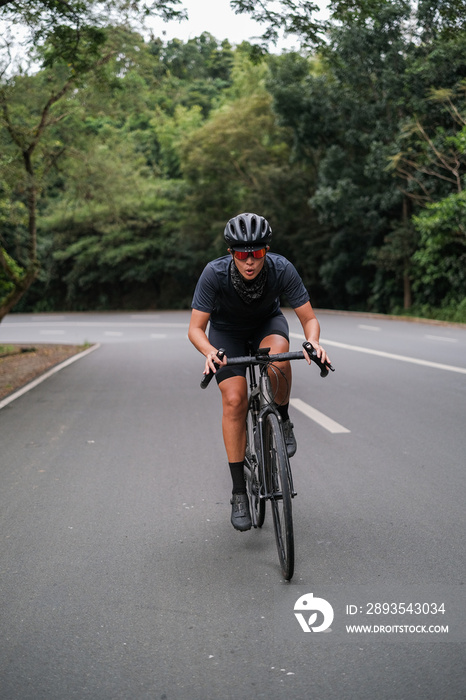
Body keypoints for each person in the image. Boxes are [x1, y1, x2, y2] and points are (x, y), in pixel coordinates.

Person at [188, 212, 330, 532]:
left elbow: (309, 319)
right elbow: (196, 328)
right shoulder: (214, 274)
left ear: (266, 250)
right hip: (227, 334)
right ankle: (239, 492)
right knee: (235, 399)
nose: (249, 261)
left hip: (267, 324)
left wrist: (314, 342)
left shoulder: (281, 268)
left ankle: (282, 415)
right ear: (231, 254)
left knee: (279, 361)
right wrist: (210, 352)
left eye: (256, 253)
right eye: (241, 254)